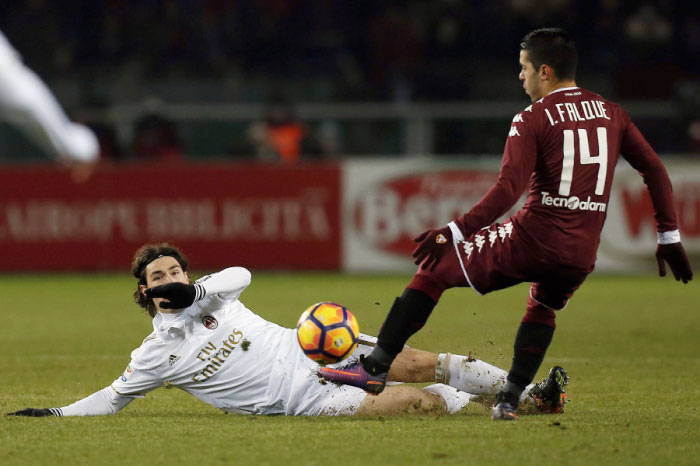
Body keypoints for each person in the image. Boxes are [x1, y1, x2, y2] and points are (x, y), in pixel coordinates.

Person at [319, 27, 693, 420]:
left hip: (533, 237)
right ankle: (510, 398)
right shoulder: (612, 113)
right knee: (543, 306)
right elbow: (654, 168)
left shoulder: (533, 117)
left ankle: (375, 368)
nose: (520, 76)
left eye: (524, 68)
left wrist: (455, 230)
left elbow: (507, 188)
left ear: (544, 71)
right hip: (581, 251)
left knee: (433, 270)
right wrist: (668, 235)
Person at [6, 243, 566, 418]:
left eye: (176, 269)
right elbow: (113, 398)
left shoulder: (214, 292)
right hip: (302, 399)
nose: (172, 277)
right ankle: (482, 405)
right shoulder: (154, 354)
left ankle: (526, 394)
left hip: (314, 347)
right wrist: (56, 415)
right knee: (418, 402)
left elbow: (241, 273)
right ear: (144, 292)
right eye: (159, 276)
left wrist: (196, 290)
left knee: (422, 361)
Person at [0, 30, 99, 165]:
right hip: (8, 80)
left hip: (7, 80)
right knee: (72, 148)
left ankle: (84, 155)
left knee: (74, 149)